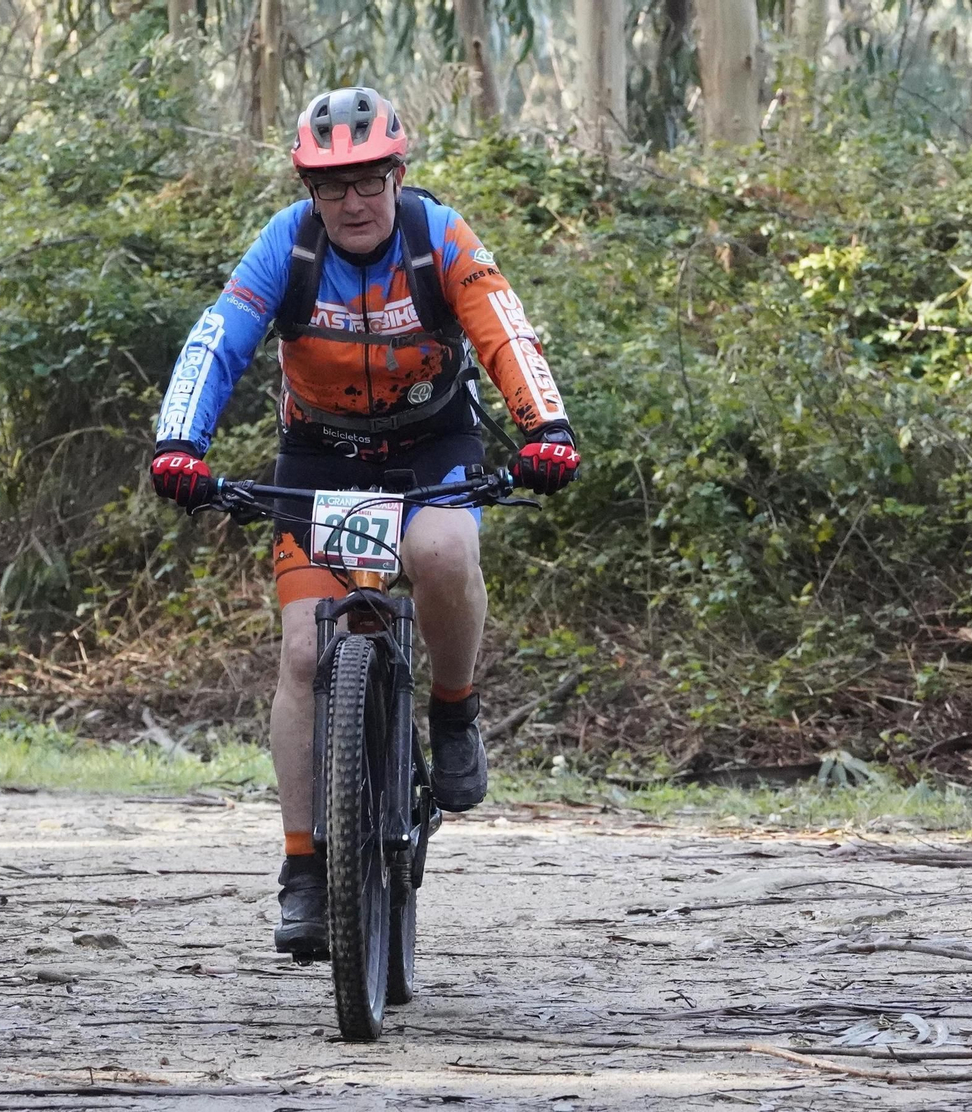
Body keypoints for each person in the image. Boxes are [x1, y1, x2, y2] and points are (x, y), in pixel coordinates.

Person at [149, 87, 581, 954]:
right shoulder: (290, 244)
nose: (351, 201)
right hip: (320, 457)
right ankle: (305, 872)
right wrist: (178, 443)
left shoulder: (438, 238)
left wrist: (547, 429)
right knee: (307, 651)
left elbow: (505, 330)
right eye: (331, 185)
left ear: (397, 174)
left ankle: (453, 713)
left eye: (368, 180)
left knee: (445, 547)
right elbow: (220, 336)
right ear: (310, 190)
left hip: (432, 449)